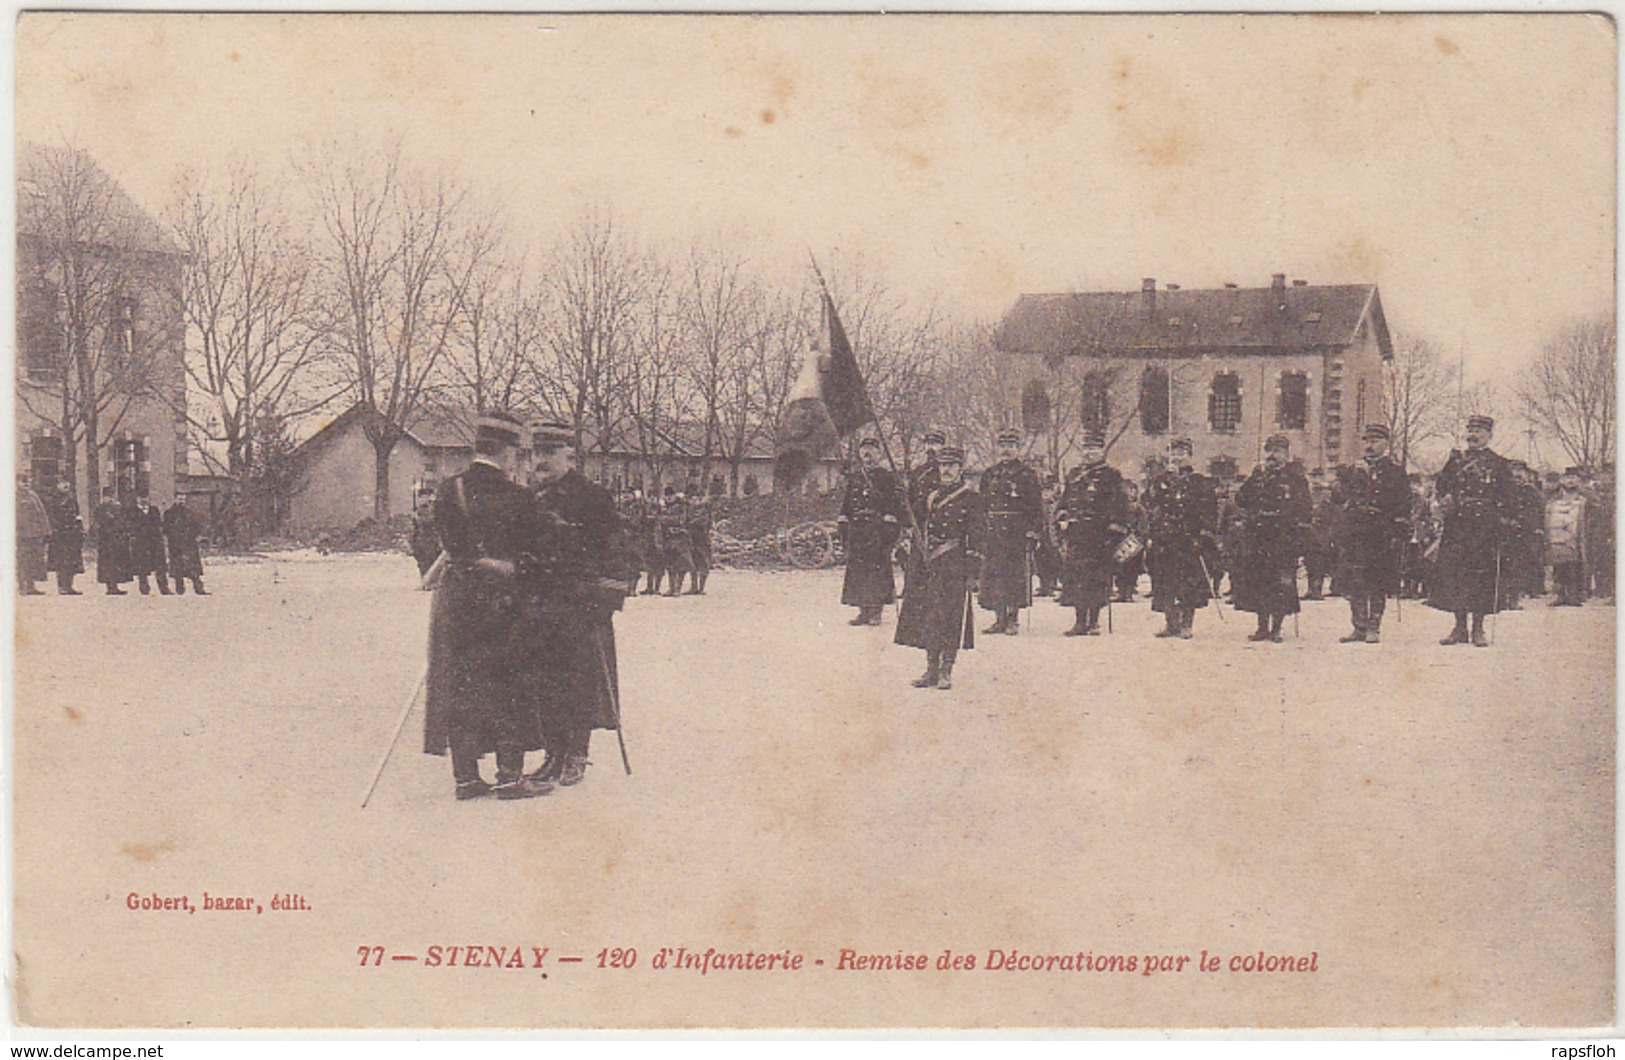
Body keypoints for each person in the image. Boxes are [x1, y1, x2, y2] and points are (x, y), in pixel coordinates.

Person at [422, 411, 550, 800]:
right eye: (517, 452)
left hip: (456, 600)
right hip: (504, 601)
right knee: (509, 681)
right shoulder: (519, 497)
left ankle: (466, 777)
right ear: (506, 451)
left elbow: (432, 546)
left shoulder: (448, 489)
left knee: (460, 681)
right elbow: (536, 558)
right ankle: (510, 775)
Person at [519, 420, 633, 789]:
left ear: (569, 455)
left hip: (580, 606)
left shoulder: (593, 497)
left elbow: (619, 552)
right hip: (541, 607)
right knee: (545, 682)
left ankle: (577, 754)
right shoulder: (532, 498)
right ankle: (554, 753)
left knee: (579, 682)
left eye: (549, 453)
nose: (541, 461)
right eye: (536, 453)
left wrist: (602, 598)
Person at [894, 446, 984, 690]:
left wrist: (972, 572)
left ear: (960, 469)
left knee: (951, 617)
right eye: (943, 466)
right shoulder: (931, 497)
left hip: (954, 565)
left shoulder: (971, 498)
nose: (946, 470)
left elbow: (977, 537)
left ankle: (946, 670)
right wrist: (902, 497)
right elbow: (910, 517)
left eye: (951, 466)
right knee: (931, 615)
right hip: (930, 565)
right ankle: (931, 668)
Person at [1428, 415, 1517, 647]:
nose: (1473, 435)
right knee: (1456, 575)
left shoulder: (1499, 464)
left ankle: (1478, 628)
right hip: (1458, 526)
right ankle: (1459, 627)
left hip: (1484, 529)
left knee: (1481, 577)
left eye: (1479, 431)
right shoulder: (1455, 461)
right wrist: (1445, 497)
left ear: (1489, 435)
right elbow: (1441, 487)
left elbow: (1508, 498)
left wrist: (1501, 522)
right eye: (1470, 430)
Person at [1332, 423, 1411, 643]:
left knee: (1377, 580)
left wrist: (1398, 530)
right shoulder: (1353, 469)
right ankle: (1358, 626)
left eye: (1375, 441)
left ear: (1385, 444)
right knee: (1354, 580)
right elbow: (1338, 498)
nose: (1370, 446)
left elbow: (1403, 503)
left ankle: (1374, 626)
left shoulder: (1395, 471)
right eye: (1366, 441)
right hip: (1355, 531)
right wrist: (1349, 478)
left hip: (1380, 533)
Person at [1232, 435, 1312, 643]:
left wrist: (1300, 540)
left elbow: (1305, 510)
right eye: (1269, 451)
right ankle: (1261, 627)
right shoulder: (1259, 476)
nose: (1272, 455)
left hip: (1283, 538)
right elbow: (1241, 500)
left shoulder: (1296, 479)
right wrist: (1254, 478)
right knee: (1259, 582)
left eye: (1277, 451)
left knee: (1280, 585)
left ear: (1286, 453)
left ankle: (1276, 628)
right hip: (1259, 537)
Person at [1054, 431, 1127, 636]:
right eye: (1086, 448)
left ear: (1102, 450)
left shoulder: (1111, 476)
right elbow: (1064, 501)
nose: (1090, 453)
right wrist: (1062, 518)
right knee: (1076, 578)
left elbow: (1119, 504)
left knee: (1096, 578)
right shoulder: (1074, 474)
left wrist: (1114, 529)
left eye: (1094, 448)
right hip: (1077, 534)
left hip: (1099, 536)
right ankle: (1079, 621)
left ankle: (1094, 621)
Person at [1144, 438, 1218, 638]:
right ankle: (1171, 623)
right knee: (1165, 582)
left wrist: (1203, 536)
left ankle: (1186, 623)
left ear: (1190, 456)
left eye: (1182, 453)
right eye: (1174, 453)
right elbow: (1149, 503)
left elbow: (1209, 511)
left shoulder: (1199, 482)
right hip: (1166, 540)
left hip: (1188, 541)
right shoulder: (1161, 481)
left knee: (1188, 585)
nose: (1177, 457)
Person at [978, 427, 1044, 635]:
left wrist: (1034, 531)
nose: (1006, 450)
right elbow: (982, 504)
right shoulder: (990, 474)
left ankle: (1013, 618)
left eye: (1011, 446)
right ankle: (998, 618)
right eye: (1003, 446)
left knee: (1014, 575)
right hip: (994, 532)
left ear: (1018, 448)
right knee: (995, 574)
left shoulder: (1027, 475)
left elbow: (1036, 506)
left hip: (1017, 532)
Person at [837, 436, 903, 626]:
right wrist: (843, 520)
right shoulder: (856, 477)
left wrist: (889, 529)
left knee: (876, 571)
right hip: (858, 530)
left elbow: (893, 504)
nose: (867, 453)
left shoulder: (886, 477)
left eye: (871, 450)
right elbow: (848, 503)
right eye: (864, 450)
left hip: (876, 530)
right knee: (859, 571)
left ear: (879, 453)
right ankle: (863, 611)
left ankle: (876, 611)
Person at [1545, 468, 1590, 606]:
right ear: (1562, 480)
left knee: (1576, 565)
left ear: (1579, 480)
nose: (1570, 481)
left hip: (1578, 535)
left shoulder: (1585, 497)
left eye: (1574, 477)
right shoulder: (1553, 498)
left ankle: (1575, 594)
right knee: (1559, 565)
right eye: (1568, 477)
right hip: (1558, 536)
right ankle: (1559, 595)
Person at [127, 494, 171, 595]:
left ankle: (164, 588)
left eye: (145, 497)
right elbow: (130, 526)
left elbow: (158, 524)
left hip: (155, 542)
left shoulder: (154, 510)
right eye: (141, 497)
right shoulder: (132, 512)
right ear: (137, 499)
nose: (143, 500)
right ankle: (144, 588)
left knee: (160, 566)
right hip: (140, 543)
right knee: (142, 566)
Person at [46, 480, 84, 595]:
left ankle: (69, 585)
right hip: (60, 535)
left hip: (72, 534)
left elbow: (78, 515)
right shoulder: (53, 500)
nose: (66, 486)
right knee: (62, 561)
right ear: (57, 486)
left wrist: (79, 528)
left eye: (67, 484)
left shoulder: (72, 500)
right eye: (62, 484)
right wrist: (56, 529)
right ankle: (62, 586)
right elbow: (51, 517)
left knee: (72, 561)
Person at [162, 500, 207, 595]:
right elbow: (166, 529)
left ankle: (198, 587)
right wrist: (171, 537)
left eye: (183, 497)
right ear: (174, 499)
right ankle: (179, 587)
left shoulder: (189, 512)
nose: (181, 499)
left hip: (189, 543)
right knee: (177, 566)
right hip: (176, 543)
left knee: (193, 567)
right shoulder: (169, 513)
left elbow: (196, 524)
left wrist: (197, 534)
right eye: (179, 497)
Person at [16, 476, 50, 596]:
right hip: (21, 535)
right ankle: (22, 586)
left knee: (33, 560)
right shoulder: (14, 496)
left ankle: (31, 586)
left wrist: (46, 531)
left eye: (28, 481)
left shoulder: (33, 495)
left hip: (35, 534)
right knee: (22, 560)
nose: (26, 483)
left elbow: (42, 513)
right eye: (23, 481)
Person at [1115, 479, 1148, 602]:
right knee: (1120, 568)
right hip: (1120, 541)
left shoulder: (1139, 508)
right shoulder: (1118, 507)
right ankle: (1121, 591)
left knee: (1132, 568)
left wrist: (1139, 536)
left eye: (1133, 490)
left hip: (1134, 542)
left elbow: (1144, 525)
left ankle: (1128, 592)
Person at [94, 486, 131, 596]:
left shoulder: (114, 507)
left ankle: (113, 586)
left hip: (113, 539)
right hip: (107, 539)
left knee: (114, 563)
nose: (108, 499)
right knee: (109, 563)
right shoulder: (102, 508)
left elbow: (121, 522)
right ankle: (111, 586)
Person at [410, 486, 441, 578]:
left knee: (431, 559)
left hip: (431, 538)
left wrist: (418, 518)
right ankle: (424, 579)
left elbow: (431, 521)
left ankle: (432, 580)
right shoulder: (418, 510)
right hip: (420, 538)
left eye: (424, 497)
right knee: (421, 560)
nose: (422, 500)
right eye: (420, 497)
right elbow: (414, 527)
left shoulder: (432, 509)